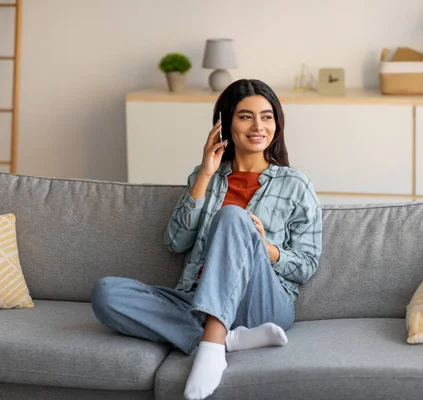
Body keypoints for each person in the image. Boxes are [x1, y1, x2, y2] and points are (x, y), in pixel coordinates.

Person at [90, 79, 323, 400]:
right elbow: (175, 243)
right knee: (106, 293)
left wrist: (263, 247)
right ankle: (230, 339)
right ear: (225, 123)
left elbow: (307, 265)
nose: (258, 125)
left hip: (263, 304)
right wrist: (205, 174)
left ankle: (212, 348)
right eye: (245, 116)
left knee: (232, 217)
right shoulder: (207, 176)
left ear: (277, 124)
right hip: (197, 299)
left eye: (266, 116)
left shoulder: (296, 184)